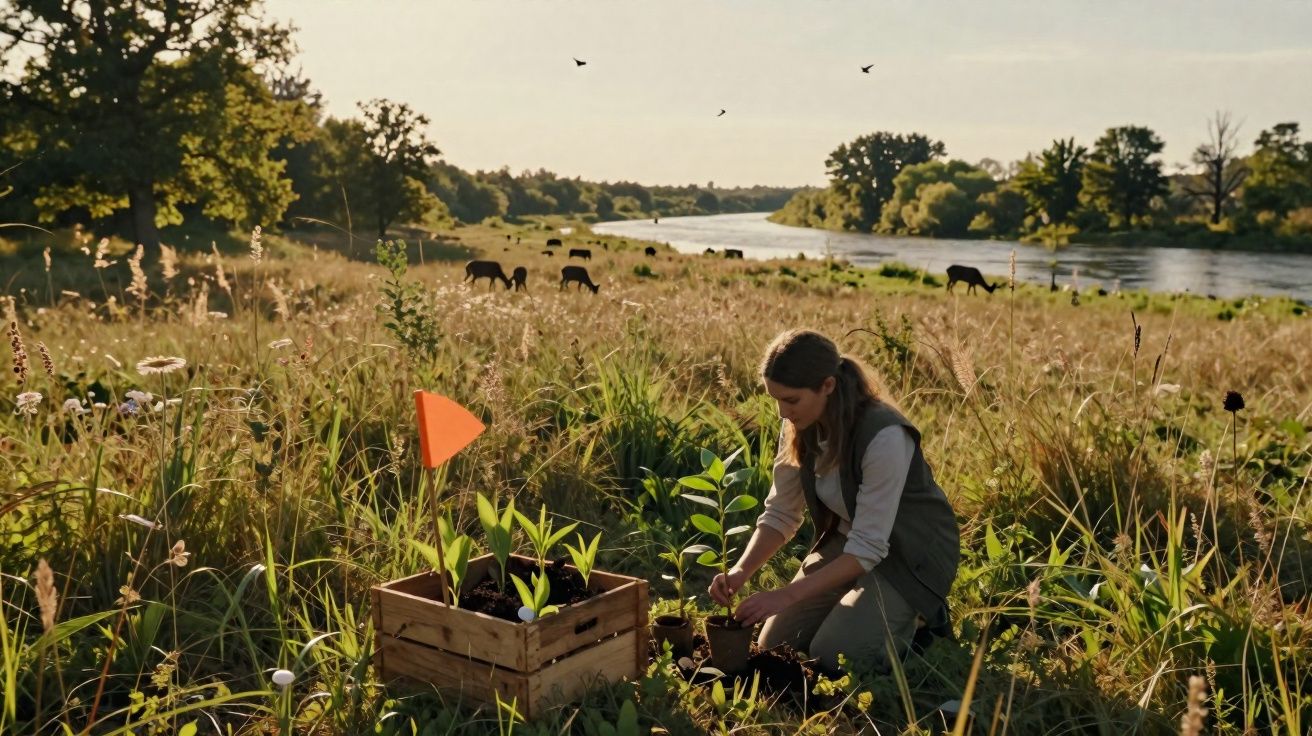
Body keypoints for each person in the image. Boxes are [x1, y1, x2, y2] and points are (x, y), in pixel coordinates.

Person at [707, 329, 959, 673]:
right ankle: (862, 607)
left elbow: (869, 547)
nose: (782, 412)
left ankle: (920, 623)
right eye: (776, 399)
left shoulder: (884, 435)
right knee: (777, 643)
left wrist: (785, 595)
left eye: (791, 400)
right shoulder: (799, 422)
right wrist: (740, 571)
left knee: (833, 656)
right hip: (851, 543)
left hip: (909, 555)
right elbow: (782, 512)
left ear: (827, 385)